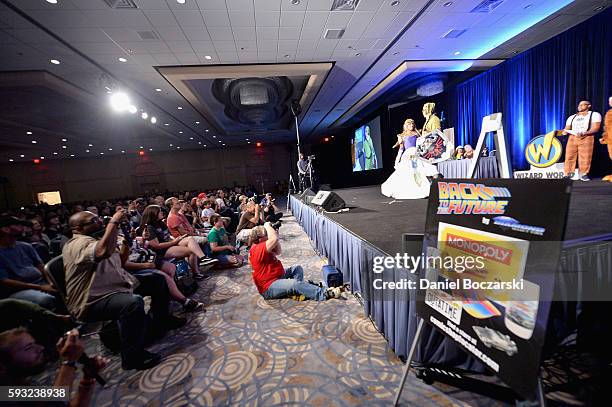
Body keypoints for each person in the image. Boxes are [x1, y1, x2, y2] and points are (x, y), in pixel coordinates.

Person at [63, 209, 186, 370]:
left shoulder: (96, 239)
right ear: (77, 228)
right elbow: (102, 252)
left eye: (100, 219)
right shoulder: (77, 244)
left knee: (157, 280)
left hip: (114, 286)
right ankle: (132, 357)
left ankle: (162, 320)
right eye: (95, 221)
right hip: (91, 299)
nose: (101, 222)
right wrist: (114, 222)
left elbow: (119, 261)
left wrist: (126, 243)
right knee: (132, 303)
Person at [0, 327, 108, 406]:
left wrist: (87, 381)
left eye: (34, 344)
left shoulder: (22, 384)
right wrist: (68, 361)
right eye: (28, 348)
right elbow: (57, 400)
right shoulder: (4, 395)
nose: (40, 348)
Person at [249, 223, 346, 300]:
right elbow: (273, 239)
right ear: (261, 239)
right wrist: (267, 225)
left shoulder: (263, 245)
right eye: (266, 234)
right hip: (268, 287)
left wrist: (275, 235)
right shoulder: (257, 249)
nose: (268, 235)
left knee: (297, 269)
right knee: (294, 283)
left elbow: (278, 251)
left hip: (276, 277)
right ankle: (323, 294)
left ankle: (299, 290)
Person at [140, 205, 215, 280]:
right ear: (153, 214)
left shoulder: (161, 223)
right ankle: (196, 274)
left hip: (169, 243)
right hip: (161, 250)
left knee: (190, 239)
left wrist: (176, 239)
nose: (162, 213)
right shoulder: (150, 228)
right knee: (191, 251)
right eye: (159, 211)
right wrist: (174, 242)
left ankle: (203, 258)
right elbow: (156, 245)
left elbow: (167, 236)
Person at [0, 216, 58, 310]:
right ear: (5, 229)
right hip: (19, 289)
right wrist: (40, 287)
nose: (22, 228)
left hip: (40, 282)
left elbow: (41, 266)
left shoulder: (25, 246)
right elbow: (5, 281)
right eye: (18, 225)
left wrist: (50, 281)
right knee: (46, 299)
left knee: (65, 287)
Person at [381, 118, 439, 200]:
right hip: (407, 155)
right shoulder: (402, 136)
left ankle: (422, 188)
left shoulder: (417, 133)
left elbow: (422, 144)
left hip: (416, 153)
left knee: (418, 171)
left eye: (412, 124)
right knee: (407, 171)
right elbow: (401, 148)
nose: (411, 125)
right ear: (406, 125)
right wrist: (397, 160)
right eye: (409, 124)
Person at [563, 100, 602, 181]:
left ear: (588, 106)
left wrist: (585, 133)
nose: (579, 106)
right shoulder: (572, 117)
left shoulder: (594, 115)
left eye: (582, 105)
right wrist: (564, 132)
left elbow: (595, 128)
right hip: (573, 137)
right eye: (579, 105)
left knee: (585, 157)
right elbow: (566, 128)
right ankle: (568, 174)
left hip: (587, 137)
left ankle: (583, 174)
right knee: (569, 156)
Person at [599, 96, 612, 181]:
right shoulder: (609, 112)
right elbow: (607, 127)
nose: (609, 103)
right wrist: (604, 138)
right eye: (609, 101)